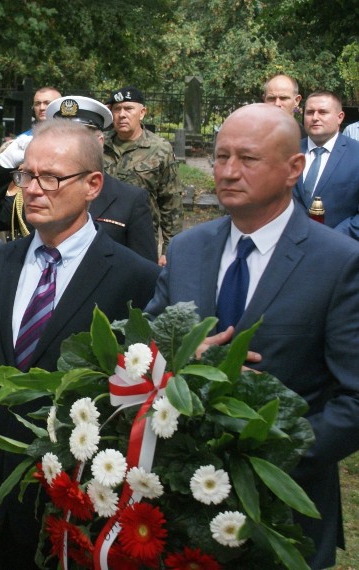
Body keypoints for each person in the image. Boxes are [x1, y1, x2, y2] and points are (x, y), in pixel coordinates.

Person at [145, 103, 359, 570]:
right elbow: (139, 348)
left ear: (293, 168)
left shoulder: (339, 262)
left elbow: (355, 399)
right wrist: (180, 358)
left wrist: (263, 457)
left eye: (248, 158)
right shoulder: (186, 250)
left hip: (283, 517)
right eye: (221, 157)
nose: (227, 172)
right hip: (178, 510)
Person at [0, 119, 160, 569]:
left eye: (52, 178)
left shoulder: (134, 279)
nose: (33, 189)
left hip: (80, 512)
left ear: (93, 185)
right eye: (27, 175)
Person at [0, 95, 158, 261]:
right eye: (60, 135)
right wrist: (4, 163)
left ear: (99, 143)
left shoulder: (129, 200)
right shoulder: (36, 190)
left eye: (78, 136)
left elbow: (142, 274)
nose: (66, 144)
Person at [103, 86, 182, 263]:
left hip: (141, 240)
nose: (122, 114)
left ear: (142, 112)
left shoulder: (160, 149)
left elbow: (171, 202)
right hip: (102, 237)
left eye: (128, 108)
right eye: (117, 109)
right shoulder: (99, 145)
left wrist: (169, 249)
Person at [293, 90, 359, 239]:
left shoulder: (356, 155)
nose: (315, 118)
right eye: (310, 112)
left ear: (340, 117)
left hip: (340, 252)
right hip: (288, 249)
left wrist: (328, 240)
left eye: (322, 112)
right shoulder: (288, 153)